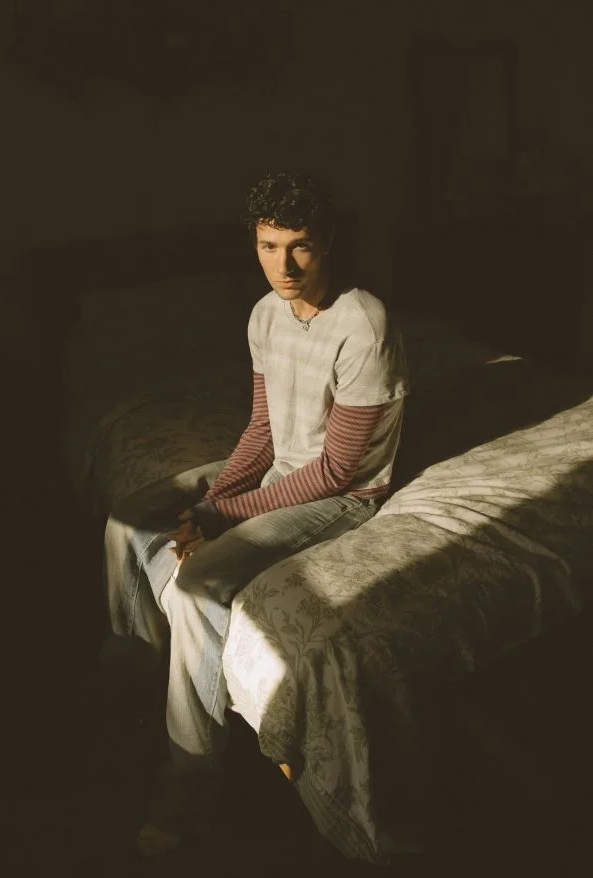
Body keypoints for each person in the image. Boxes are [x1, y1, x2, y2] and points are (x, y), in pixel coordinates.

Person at [103, 171, 409, 855]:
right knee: (128, 519)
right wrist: (211, 501)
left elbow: (336, 470)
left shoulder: (363, 323)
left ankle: (189, 783)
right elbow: (262, 433)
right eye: (269, 246)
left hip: (340, 498)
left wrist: (218, 520)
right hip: (283, 472)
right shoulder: (265, 313)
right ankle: (137, 668)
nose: (285, 265)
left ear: (327, 243)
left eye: (300, 247)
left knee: (197, 584)